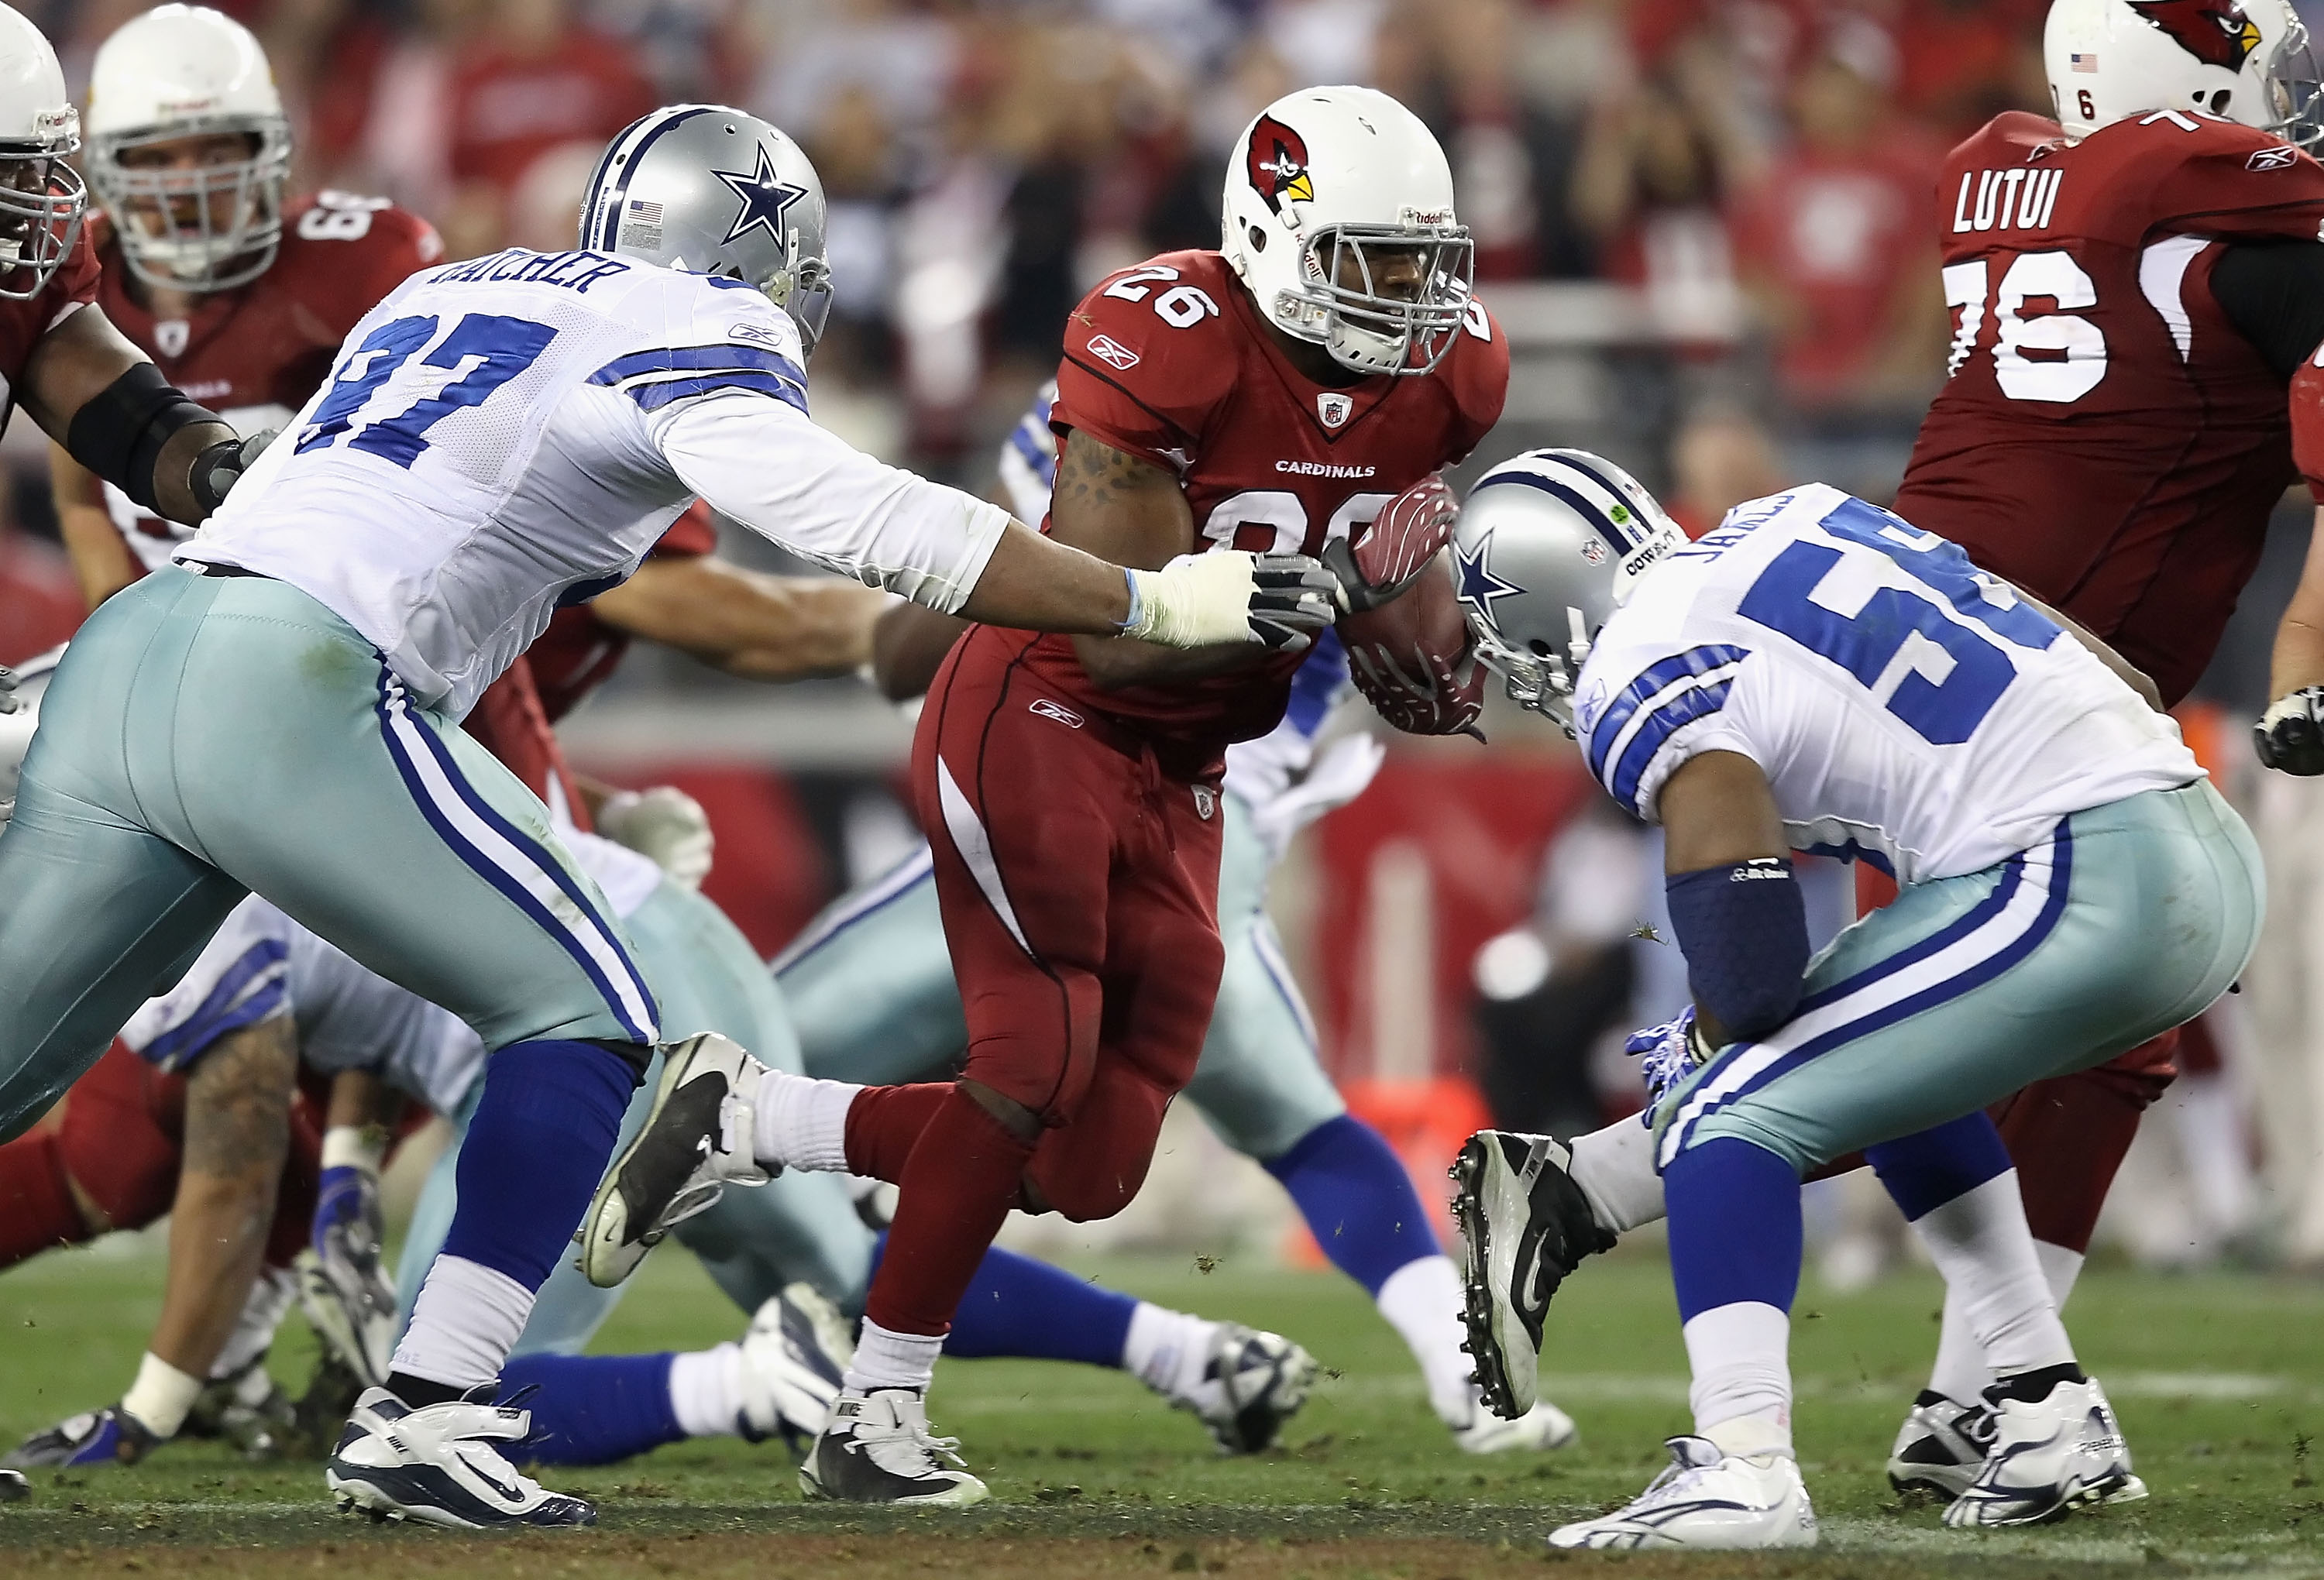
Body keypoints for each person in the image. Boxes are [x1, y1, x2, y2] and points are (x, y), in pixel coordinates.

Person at [0, 102, 1339, 1530]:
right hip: (298, 679)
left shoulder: (451, 285)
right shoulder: (698, 324)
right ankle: (429, 1411)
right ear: (760, 255)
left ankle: (431, 1409)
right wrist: (1150, 596)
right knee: (593, 1020)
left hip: (137, 651)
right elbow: (843, 515)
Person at [1456, 0, 2324, 1501]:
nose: (2279, 99)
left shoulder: (2006, 168)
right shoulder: (2167, 182)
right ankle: (1982, 1395)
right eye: (2254, 67)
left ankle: (1943, 1384)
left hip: (1960, 631)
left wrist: (1724, 1032)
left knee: (1962, 1044)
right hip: (2018, 677)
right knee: (1967, 1045)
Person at [593, 85, 1508, 1505]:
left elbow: (1401, 568)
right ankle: (873, 1419)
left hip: (1188, 764)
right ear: (1272, 236)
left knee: (1097, 1159)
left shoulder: (1448, 376)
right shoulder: (1165, 343)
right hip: (1044, 717)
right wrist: (1278, 603)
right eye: (1370, 260)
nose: (1407, 297)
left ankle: (751, 1121)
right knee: (1028, 1069)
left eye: (1423, 261)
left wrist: (1412, 643)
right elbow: (1110, 632)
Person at [1450, 452, 2257, 1548]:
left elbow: (1752, 971)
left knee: (1731, 1108)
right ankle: (2045, 1409)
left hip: (2079, 873)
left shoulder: (1637, 662)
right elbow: (2129, 679)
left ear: (1533, 606)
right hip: (2196, 838)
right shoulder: (1795, 516)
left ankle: (1743, 1468)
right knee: (1876, 1075)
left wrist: (1701, 1045)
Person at [778, 380, 1577, 1456]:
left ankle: (747, 1203)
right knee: (1268, 1120)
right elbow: (1428, 667)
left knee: (764, 1076)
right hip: (1208, 825)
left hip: (1065, 786)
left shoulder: (1105, 400)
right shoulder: (1379, 425)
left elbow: (914, 650)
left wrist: (858, 621)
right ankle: (1453, 1368)